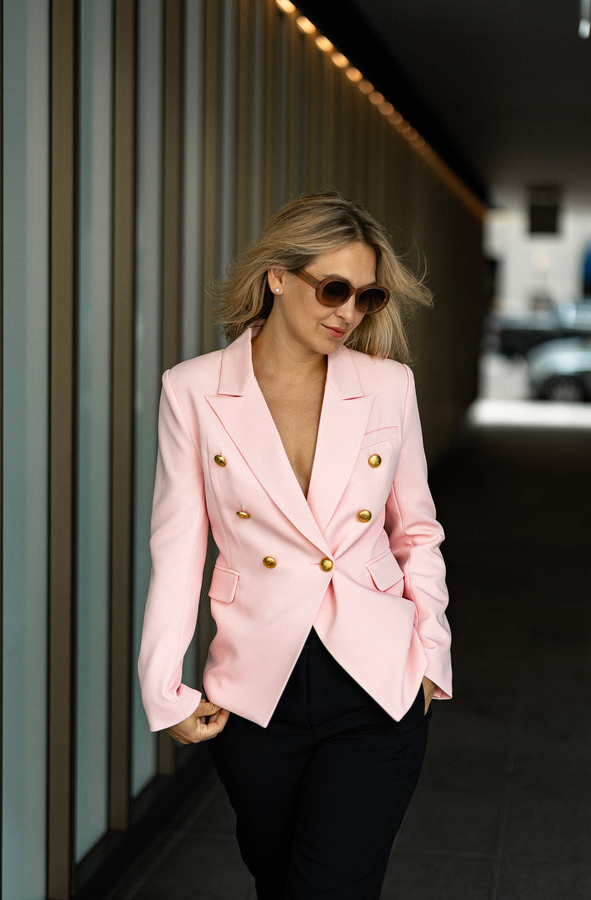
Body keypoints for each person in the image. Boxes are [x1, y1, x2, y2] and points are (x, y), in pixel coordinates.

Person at [138, 191, 452, 899]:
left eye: (365, 297)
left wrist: (432, 650)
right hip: (257, 686)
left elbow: (417, 529)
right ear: (278, 275)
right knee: (279, 880)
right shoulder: (192, 390)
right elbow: (179, 547)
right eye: (332, 288)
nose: (347, 312)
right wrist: (164, 687)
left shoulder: (387, 387)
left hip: (377, 682)